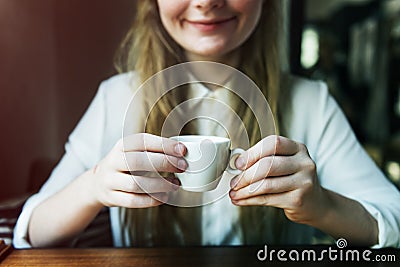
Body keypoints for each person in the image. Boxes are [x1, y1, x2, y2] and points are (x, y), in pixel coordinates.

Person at [14, 0, 400, 248]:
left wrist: (321, 205)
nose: (205, 2)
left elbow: (393, 221)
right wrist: (93, 185)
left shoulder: (310, 103)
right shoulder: (116, 98)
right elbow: (29, 234)